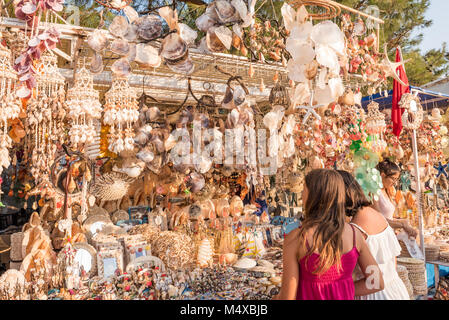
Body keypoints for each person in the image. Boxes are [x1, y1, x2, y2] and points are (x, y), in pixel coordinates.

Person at [273, 169, 384, 300]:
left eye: (304, 190)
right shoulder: (355, 235)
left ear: (313, 196)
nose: (301, 195)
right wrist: (342, 289)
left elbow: (287, 297)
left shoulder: (297, 238)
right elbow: (376, 282)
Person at [337, 170, 409, 300]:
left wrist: (338, 290)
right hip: (395, 289)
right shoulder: (374, 214)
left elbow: (374, 281)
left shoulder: (354, 230)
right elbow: (392, 262)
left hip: (373, 295)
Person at [373, 159, 417, 238]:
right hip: (381, 236)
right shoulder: (375, 193)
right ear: (382, 175)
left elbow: (389, 217)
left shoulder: (387, 191)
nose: (395, 182)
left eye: (397, 179)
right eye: (393, 178)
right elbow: (380, 219)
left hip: (389, 235)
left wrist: (404, 222)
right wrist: (402, 225)